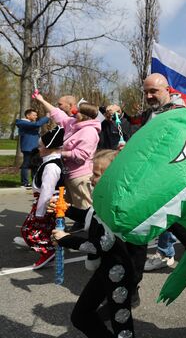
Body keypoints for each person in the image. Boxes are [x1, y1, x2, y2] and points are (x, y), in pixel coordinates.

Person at [51, 150, 145, 338]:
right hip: (106, 268)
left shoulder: (120, 206)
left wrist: (65, 239)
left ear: (114, 176)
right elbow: (91, 217)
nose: (91, 180)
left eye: (96, 175)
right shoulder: (104, 200)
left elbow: (101, 244)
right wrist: (66, 208)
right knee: (81, 316)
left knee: (122, 325)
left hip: (121, 273)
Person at [132, 73, 186, 271]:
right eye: (146, 92)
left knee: (173, 219)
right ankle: (177, 253)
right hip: (152, 177)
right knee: (168, 220)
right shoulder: (152, 112)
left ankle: (179, 253)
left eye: (154, 91)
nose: (149, 96)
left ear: (167, 90)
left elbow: (180, 146)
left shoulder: (179, 113)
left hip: (171, 178)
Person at [34, 94, 100, 233]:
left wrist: (58, 153)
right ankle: (77, 229)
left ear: (85, 115)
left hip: (80, 176)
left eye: (78, 111)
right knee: (71, 206)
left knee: (84, 208)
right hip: (68, 173)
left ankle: (92, 236)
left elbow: (81, 155)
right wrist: (41, 99)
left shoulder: (89, 131)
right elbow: (57, 114)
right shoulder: (72, 123)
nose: (74, 112)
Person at [14, 127, 64, 267]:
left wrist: (40, 212)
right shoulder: (50, 162)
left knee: (29, 229)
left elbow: (47, 190)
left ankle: (47, 252)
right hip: (47, 201)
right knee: (45, 229)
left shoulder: (51, 167)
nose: (38, 148)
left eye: (40, 146)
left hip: (47, 203)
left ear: (48, 147)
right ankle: (42, 244)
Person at [15, 108, 50, 187]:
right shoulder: (22, 123)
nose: (36, 116)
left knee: (35, 165)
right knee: (26, 165)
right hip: (28, 148)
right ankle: (24, 183)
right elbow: (36, 124)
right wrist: (47, 117)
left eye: (36, 115)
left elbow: (37, 124)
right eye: (34, 115)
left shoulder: (30, 123)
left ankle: (35, 182)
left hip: (35, 147)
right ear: (28, 115)